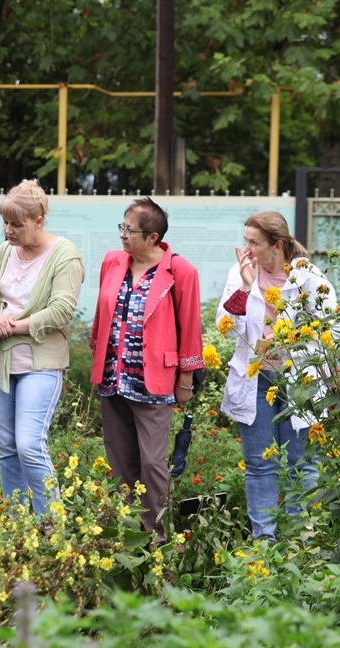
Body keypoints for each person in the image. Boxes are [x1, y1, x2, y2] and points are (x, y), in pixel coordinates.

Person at [215, 210, 337, 540]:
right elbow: (224, 327)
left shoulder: (310, 279)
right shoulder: (240, 274)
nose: (246, 249)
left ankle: (302, 539)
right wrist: (244, 286)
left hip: (300, 380)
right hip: (256, 379)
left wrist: (290, 342)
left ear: (277, 245)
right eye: (245, 240)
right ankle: (264, 544)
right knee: (259, 465)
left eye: (253, 242)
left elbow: (332, 330)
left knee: (302, 463)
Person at [90, 197, 205, 542]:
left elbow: (190, 327)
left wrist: (185, 380)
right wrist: (96, 356)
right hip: (113, 379)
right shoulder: (113, 261)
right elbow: (101, 314)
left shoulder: (180, 271)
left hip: (153, 383)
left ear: (153, 237)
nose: (122, 235)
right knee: (119, 459)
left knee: (152, 464)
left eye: (130, 230)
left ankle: (157, 539)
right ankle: (127, 534)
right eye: (122, 227)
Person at [0, 180, 84, 515]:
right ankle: (18, 527)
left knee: (28, 445)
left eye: (17, 224)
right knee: (7, 448)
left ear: (38, 220)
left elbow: (61, 310)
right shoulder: (6, 251)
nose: (8, 230)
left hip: (41, 361)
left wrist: (10, 326)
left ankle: (52, 525)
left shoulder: (65, 254)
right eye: (5, 223)